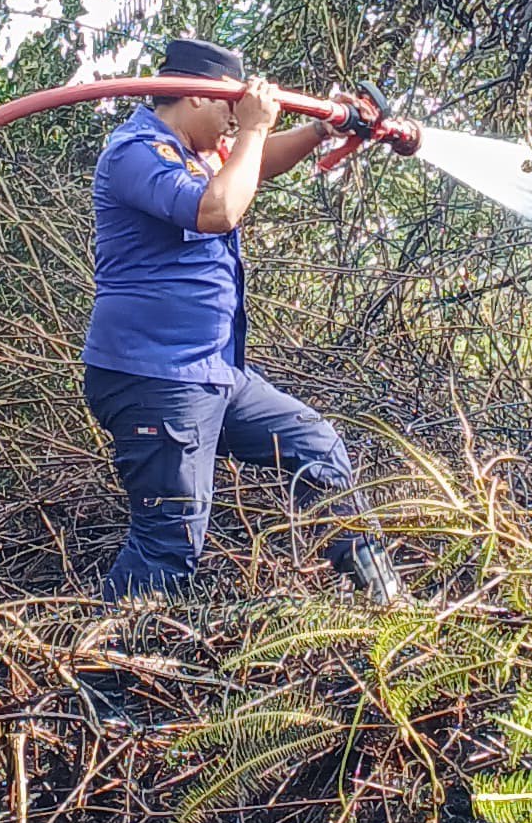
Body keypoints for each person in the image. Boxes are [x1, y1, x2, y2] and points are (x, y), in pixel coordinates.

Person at [81, 37, 417, 605]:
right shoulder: (135, 151)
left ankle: (384, 601)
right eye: (227, 107)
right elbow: (218, 209)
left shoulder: (196, 153)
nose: (234, 122)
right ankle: (98, 657)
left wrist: (320, 130)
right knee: (168, 544)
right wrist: (256, 127)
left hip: (212, 372)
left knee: (317, 448)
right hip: (157, 378)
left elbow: (253, 165)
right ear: (195, 96)